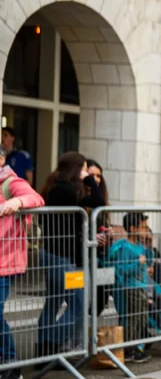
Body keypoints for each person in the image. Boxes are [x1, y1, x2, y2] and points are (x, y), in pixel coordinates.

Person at [37, 152, 106, 357]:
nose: (87, 173)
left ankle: (43, 349)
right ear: (76, 169)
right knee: (79, 301)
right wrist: (91, 181)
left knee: (54, 301)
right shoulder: (67, 190)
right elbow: (98, 200)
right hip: (61, 257)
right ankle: (50, 344)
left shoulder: (56, 186)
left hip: (54, 254)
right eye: (85, 169)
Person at [0, 149, 44, 379]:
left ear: (1, 160)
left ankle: (11, 364)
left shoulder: (11, 181)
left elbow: (35, 198)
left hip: (5, 262)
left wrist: (17, 201)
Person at [105, 212, 155, 364]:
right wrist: (137, 264)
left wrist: (149, 247)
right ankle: (129, 349)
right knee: (132, 319)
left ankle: (136, 347)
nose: (146, 230)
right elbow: (122, 270)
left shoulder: (140, 246)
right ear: (133, 228)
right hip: (130, 288)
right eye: (143, 227)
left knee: (142, 318)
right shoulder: (126, 248)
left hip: (141, 286)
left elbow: (149, 261)